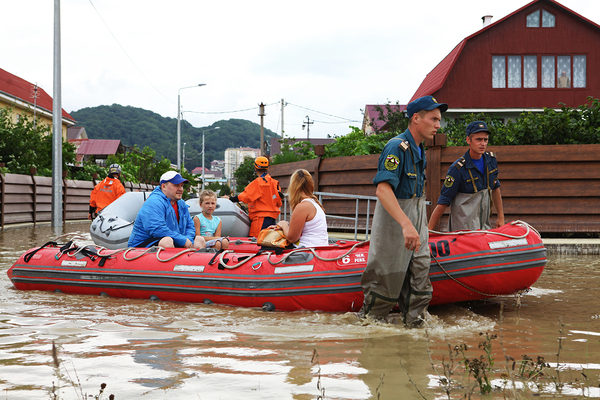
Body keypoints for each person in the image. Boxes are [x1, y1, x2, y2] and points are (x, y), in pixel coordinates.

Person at [359, 95, 447, 327]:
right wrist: (406, 224)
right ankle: (368, 332)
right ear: (416, 118)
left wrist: (418, 227)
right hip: (395, 229)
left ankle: (415, 336)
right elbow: (383, 190)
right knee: (384, 289)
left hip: (417, 227)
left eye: (439, 120)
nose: (438, 125)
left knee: (420, 281)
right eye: (434, 119)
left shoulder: (419, 150)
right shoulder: (396, 147)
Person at [428, 121, 505, 232]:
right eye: (478, 139)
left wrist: (501, 217)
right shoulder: (457, 169)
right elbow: (444, 201)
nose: (483, 143)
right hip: (462, 230)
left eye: (485, 140)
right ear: (468, 140)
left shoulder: (491, 160)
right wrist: (429, 229)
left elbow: (495, 187)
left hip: (484, 227)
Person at [128, 171, 206, 249]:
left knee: (200, 240)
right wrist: (183, 240)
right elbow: (157, 229)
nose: (181, 189)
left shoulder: (181, 203)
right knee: (167, 241)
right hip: (141, 246)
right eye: (176, 185)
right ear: (164, 187)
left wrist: (188, 239)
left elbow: (190, 225)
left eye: (181, 186)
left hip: (173, 239)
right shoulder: (154, 202)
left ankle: (187, 256)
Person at [223, 156, 283, 238]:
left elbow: (246, 196)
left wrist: (230, 198)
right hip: (272, 218)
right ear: (268, 167)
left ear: (255, 167)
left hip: (260, 218)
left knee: (256, 241)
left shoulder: (258, 182)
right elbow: (279, 202)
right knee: (268, 240)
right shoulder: (275, 183)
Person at [272, 169, 328, 247]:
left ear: (293, 186)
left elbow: (292, 238)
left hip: (306, 250)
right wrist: (284, 227)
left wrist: (283, 224)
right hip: (318, 249)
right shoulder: (314, 203)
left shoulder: (303, 206)